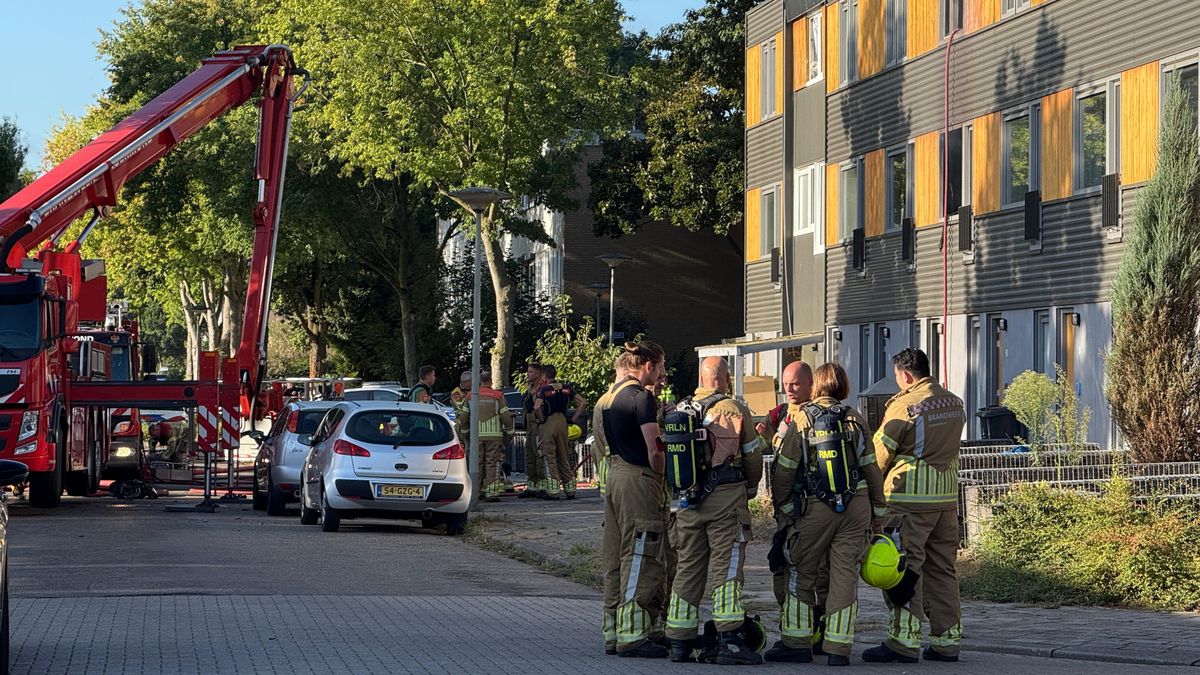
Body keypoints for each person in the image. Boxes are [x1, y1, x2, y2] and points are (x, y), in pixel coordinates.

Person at [765, 362, 885, 666]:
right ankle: (838, 648)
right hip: (856, 506)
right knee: (845, 576)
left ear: (816, 386)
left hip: (814, 508)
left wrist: (787, 509)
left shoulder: (803, 418)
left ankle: (796, 642)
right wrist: (878, 511)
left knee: (800, 572)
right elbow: (871, 467)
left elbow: (785, 471)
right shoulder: (854, 418)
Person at [862, 348, 966, 664]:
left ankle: (903, 641)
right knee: (942, 569)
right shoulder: (954, 402)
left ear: (906, 375)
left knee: (903, 569)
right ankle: (946, 641)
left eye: (897, 378)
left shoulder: (905, 406)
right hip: (946, 500)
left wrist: (868, 491)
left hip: (908, 500)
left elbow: (880, 453)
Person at [665, 356, 765, 664]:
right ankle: (730, 640)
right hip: (725, 499)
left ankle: (680, 640)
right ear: (725, 379)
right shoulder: (732, 409)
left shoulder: (678, 409)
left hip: (688, 502)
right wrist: (750, 487)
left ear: (701, 378)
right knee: (727, 567)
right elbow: (752, 455)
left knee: (688, 568)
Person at [603, 340, 668, 658]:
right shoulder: (642, 398)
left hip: (613, 478)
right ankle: (633, 634)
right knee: (642, 552)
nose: (663, 375)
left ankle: (614, 630)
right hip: (638, 479)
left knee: (616, 556)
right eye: (662, 368)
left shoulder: (610, 398)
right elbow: (655, 449)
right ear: (648, 366)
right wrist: (666, 471)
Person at [594, 359, 638, 654]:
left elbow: (599, 448)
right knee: (634, 556)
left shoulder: (602, 403)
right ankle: (630, 628)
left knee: (614, 560)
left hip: (609, 485)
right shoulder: (630, 401)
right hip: (631, 485)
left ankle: (611, 629)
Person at [456, 371, 513, 502]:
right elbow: (506, 416)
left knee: (477, 463)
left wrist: (465, 432)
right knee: (492, 462)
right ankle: (491, 492)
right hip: (494, 436)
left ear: (479, 381)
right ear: (491, 381)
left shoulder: (470, 396)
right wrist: (510, 432)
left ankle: (476, 491)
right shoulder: (498, 396)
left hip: (476, 436)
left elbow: (463, 418)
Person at [534, 364, 588, 500]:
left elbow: (537, 406)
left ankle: (553, 490)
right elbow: (582, 402)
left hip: (549, 422)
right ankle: (570, 489)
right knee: (564, 455)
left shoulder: (544, 389)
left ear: (545, 376)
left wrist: (541, 419)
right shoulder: (566, 388)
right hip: (563, 422)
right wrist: (573, 419)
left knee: (549, 455)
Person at [520, 364, 551, 499]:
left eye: (531, 372)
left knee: (539, 455)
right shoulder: (530, 388)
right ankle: (532, 485)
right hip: (530, 427)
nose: (528, 374)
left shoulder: (543, 388)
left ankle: (543, 485)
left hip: (538, 426)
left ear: (539, 374)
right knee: (530, 455)